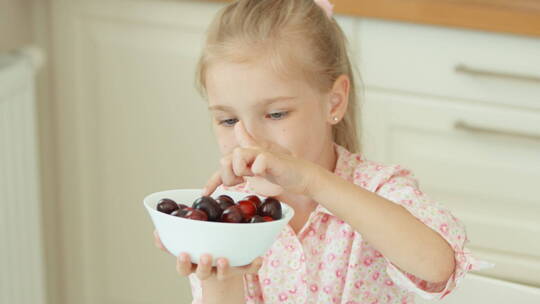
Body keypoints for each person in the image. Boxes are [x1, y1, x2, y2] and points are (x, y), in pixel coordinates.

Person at [154, 0, 489, 302]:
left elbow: (438, 267)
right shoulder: (229, 216)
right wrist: (220, 278)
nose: (248, 139)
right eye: (227, 120)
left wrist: (311, 181)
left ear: (335, 101)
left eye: (275, 114)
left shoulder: (378, 188)